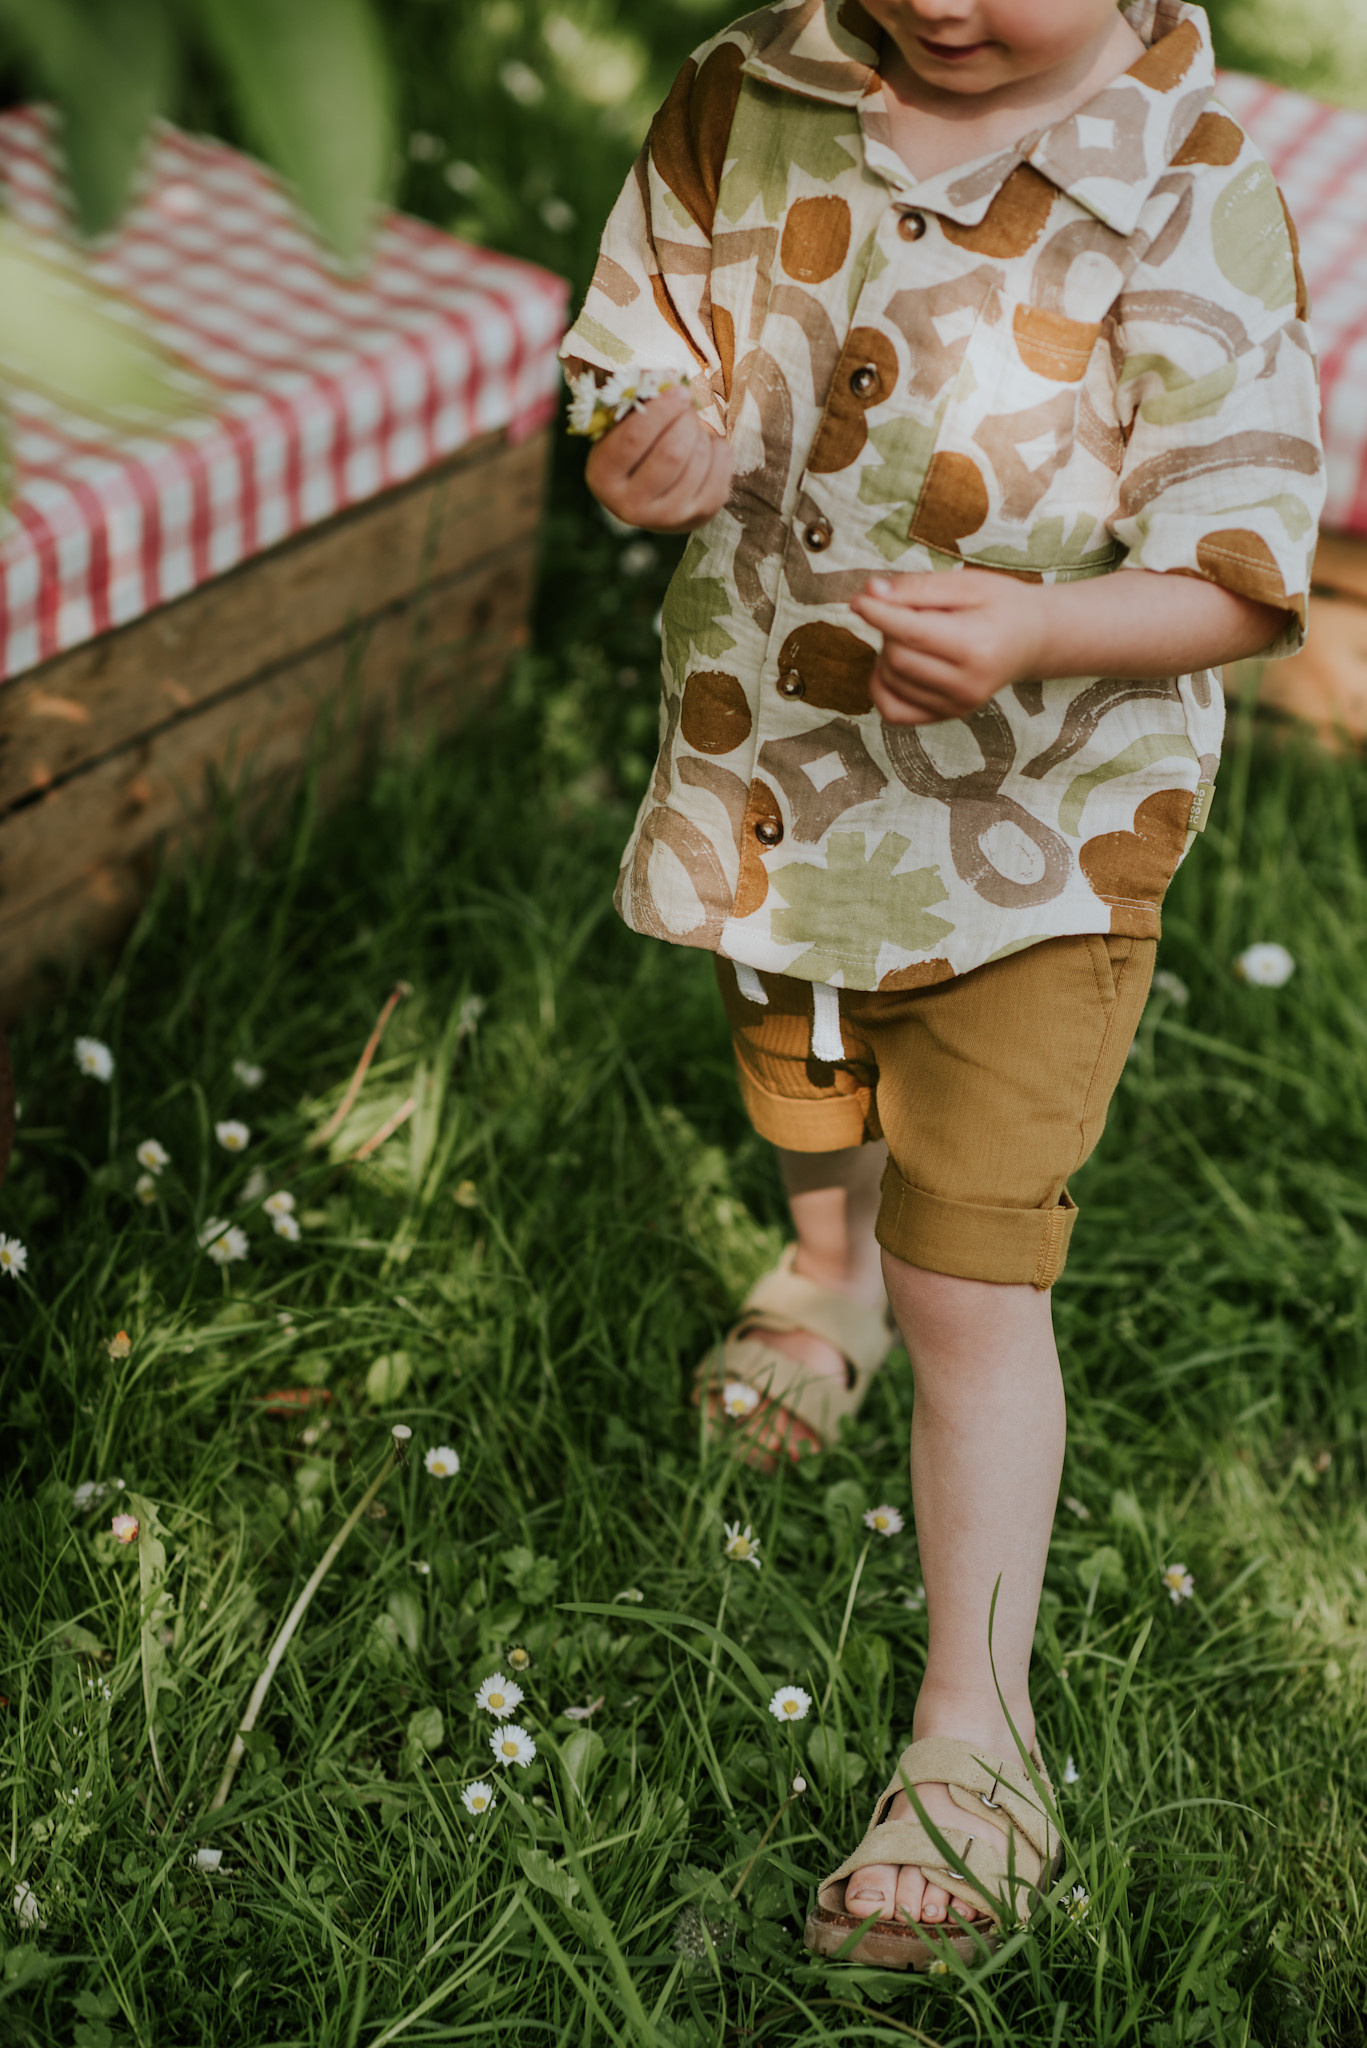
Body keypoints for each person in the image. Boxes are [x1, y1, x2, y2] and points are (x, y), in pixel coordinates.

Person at [561, 0, 1323, 1967]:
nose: (945, 1)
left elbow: (1244, 567)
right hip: (776, 773)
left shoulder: (1191, 186)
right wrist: (653, 447)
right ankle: (819, 1272)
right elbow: (640, 337)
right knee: (802, 1074)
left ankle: (976, 1747)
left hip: (1040, 844)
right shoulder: (759, 92)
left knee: (969, 1272)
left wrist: (1050, 624)